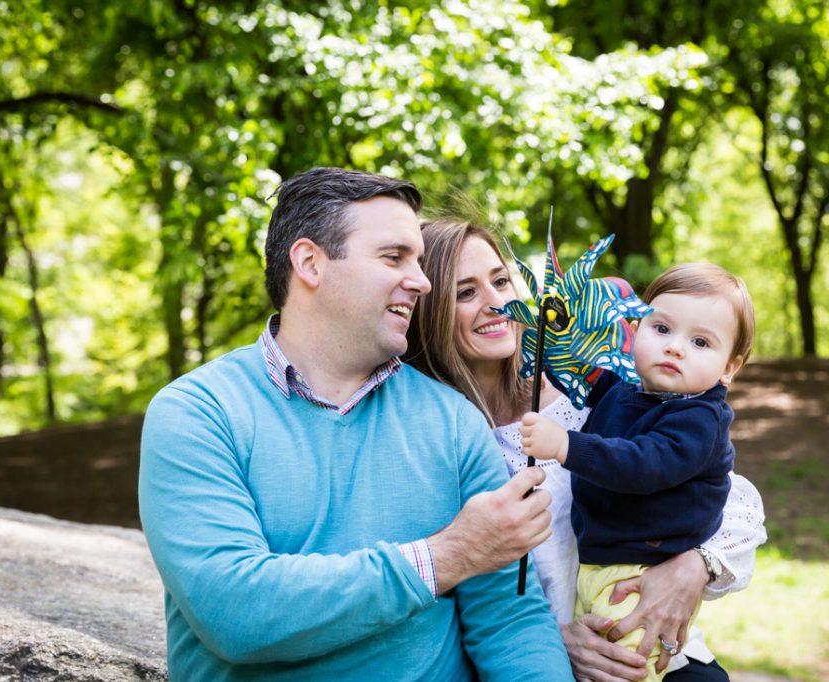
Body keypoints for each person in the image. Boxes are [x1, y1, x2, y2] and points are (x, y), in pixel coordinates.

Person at [138, 168, 573, 680]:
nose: (422, 280)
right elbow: (237, 613)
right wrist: (445, 556)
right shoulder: (197, 413)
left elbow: (509, 622)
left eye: (418, 258)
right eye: (394, 257)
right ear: (310, 263)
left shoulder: (454, 420)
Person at [404, 220, 766, 682]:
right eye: (465, 293)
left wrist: (693, 567)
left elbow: (729, 501)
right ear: (429, 310)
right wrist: (552, 640)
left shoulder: (582, 394)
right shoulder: (427, 438)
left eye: (500, 281)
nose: (496, 303)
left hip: (652, 658)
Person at [520, 261, 756, 680]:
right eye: (661, 329)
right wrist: (552, 340)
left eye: (700, 341)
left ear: (729, 368)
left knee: (625, 666)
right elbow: (577, 372)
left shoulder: (700, 419)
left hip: (642, 572)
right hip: (597, 568)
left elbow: (642, 464)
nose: (675, 347)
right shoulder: (623, 385)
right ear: (635, 328)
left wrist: (565, 445)